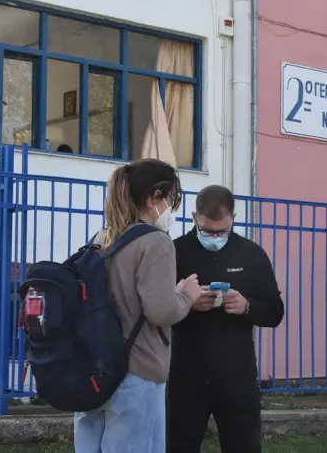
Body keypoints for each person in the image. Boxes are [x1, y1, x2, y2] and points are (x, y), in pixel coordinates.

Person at [74, 159, 204, 453]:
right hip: (137, 372)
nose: (172, 207)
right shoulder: (155, 241)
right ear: (156, 197)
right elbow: (161, 311)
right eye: (172, 199)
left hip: (94, 371)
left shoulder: (102, 237)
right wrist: (186, 295)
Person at [167, 185, 284, 453]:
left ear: (233, 218)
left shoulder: (251, 254)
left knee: (243, 445)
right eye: (208, 231)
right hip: (185, 374)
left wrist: (247, 306)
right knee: (178, 445)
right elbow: (158, 312)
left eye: (222, 231)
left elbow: (275, 311)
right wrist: (187, 304)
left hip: (236, 375)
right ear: (195, 217)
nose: (215, 237)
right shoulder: (175, 252)